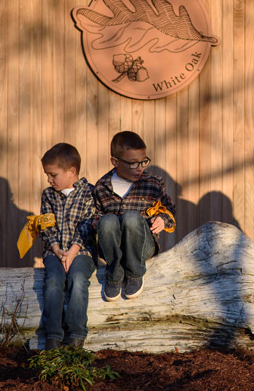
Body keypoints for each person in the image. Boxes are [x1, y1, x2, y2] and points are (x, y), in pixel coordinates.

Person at [93, 131, 176, 302]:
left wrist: (162, 218)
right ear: (115, 161)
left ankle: (134, 273)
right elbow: (94, 216)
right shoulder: (101, 187)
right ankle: (114, 274)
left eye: (143, 162)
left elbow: (169, 208)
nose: (140, 168)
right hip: (112, 249)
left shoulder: (153, 183)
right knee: (107, 220)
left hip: (142, 247)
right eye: (133, 164)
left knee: (131, 217)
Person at [39, 143, 96, 349]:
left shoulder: (90, 193)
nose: (49, 179)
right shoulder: (48, 195)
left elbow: (89, 224)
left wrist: (73, 251)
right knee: (54, 281)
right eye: (47, 175)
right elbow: (47, 225)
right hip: (55, 252)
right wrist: (56, 249)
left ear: (72, 171)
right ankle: (53, 335)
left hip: (83, 252)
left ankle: (76, 335)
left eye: (53, 174)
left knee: (78, 279)